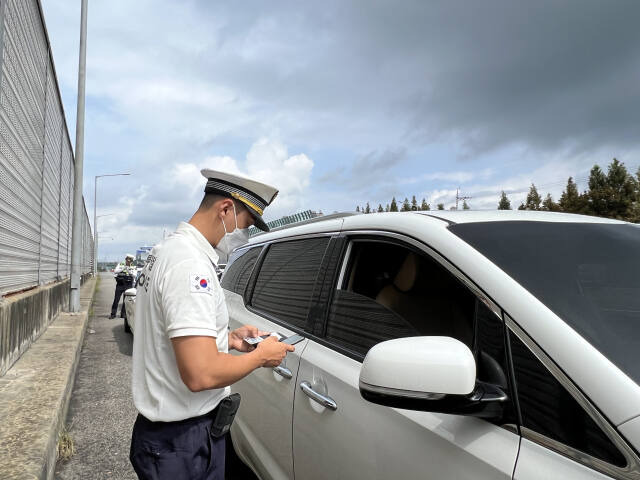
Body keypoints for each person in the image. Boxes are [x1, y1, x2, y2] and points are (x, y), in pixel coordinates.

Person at [129, 169, 295, 480]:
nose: (243, 236)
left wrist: (227, 340)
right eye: (245, 225)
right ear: (225, 209)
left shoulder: (167, 250)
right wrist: (261, 356)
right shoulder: (190, 266)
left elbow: (169, 333)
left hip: (170, 438)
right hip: (181, 443)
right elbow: (200, 374)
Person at [110, 253, 136, 319]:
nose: (128, 261)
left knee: (125, 300)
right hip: (120, 284)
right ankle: (113, 314)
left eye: (130, 260)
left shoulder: (133, 266)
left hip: (128, 284)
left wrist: (129, 270)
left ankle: (123, 314)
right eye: (127, 259)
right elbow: (115, 271)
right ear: (125, 259)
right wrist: (123, 268)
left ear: (132, 261)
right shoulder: (121, 264)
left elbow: (135, 275)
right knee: (116, 299)